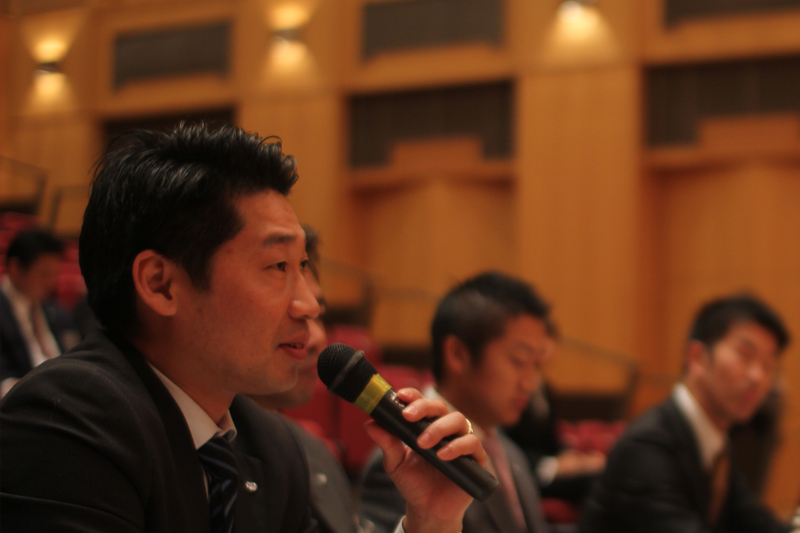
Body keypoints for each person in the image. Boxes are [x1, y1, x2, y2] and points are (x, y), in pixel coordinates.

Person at [1, 123, 485, 533]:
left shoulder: (269, 445)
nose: (308, 305)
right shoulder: (64, 422)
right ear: (161, 284)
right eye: (277, 266)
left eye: (303, 266)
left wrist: (430, 520)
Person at [580, 293, 792, 533]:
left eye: (768, 366)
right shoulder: (647, 446)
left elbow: (759, 524)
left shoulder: (715, 445)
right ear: (697, 357)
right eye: (745, 356)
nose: (757, 377)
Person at [360, 271, 551, 533]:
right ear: (458, 354)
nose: (530, 383)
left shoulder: (509, 451)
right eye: (519, 360)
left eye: (537, 364)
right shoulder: (407, 456)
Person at [251, 225, 362, 533]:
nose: (317, 339)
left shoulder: (312, 451)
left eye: (319, 316)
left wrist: (429, 521)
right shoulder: (193, 452)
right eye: (293, 313)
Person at [503, 324, 605, 504]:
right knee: (593, 484)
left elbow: (551, 438)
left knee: (600, 474)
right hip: (524, 472)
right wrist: (554, 465)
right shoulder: (511, 388)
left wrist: (576, 458)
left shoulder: (545, 387)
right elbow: (503, 444)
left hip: (544, 468)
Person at [1, 229, 74, 396]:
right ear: (15, 268)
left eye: (55, 274)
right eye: (44, 274)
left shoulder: (58, 312)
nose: (52, 283)